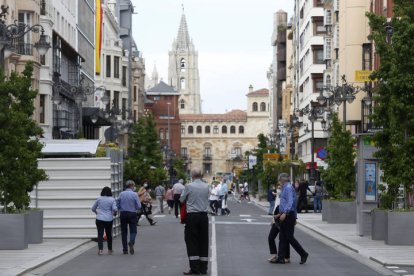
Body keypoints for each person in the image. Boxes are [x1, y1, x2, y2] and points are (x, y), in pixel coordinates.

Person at [274, 173, 309, 265]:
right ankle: (281, 258)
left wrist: (285, 213)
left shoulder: (288, 188)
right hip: (285, 215)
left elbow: (291, 202)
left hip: (288, 216)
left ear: (283, 180)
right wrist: (280, 213)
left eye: (279, 180)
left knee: (289, 237)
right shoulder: (285, 188)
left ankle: (303, 254)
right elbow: (290, 203)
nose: (279, 182)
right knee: (282, 237)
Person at [180, 168, 209, 275]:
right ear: (201, 175)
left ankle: (195, 268)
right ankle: (203, 268)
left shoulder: (189, 186)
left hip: (192, 216)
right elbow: (207, 198)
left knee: (192, 241)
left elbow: (182, 199)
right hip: (203, 216)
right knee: (203, 241)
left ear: (192, 176)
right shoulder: (207, 186)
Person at [117, 180, 141, 255]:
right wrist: (134, 208)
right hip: (132, 213)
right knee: (133, 230)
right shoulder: (135, 194)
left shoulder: (121, 194)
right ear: (131, 185)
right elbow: (139, 206)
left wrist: (120, 208)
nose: (134, 187)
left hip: (123, 213)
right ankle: (131, 242)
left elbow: (117, 204)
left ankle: (125, 249)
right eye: (134, 185)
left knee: (124, 232)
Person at [91, 186, 118, 255]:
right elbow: (115, 209)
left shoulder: (99, 199)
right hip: (109, 219)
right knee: (109, 234)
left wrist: (97, 213)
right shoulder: (112, 199)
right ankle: (110, 249)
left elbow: (93, 208)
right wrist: (114, 214)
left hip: (99, 219)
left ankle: (100, 250)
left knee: (100, 234)